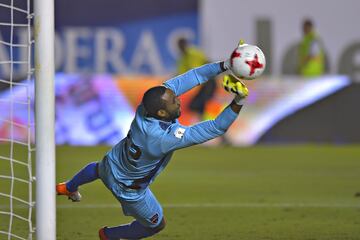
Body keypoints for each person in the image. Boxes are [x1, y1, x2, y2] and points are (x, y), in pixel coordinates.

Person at [56, 57, 249, 239]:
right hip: (129, 189)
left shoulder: (147, 106)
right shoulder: (163, 139)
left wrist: (225, 64)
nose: (179, 99)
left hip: (113, 162)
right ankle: (109, 235)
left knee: (98, 169)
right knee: (156, 225)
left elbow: (194, 77)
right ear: (162, 112)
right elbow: (216, 127)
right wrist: (238, 100)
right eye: (175, 101)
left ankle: (68, 187)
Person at [177, 37, 217, 122]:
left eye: (182, 45)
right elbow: (180, 75)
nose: (181, 48)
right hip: (202, 85)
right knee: (194, 105)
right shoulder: (182, 59)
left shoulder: (195, 53)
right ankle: (204, 123)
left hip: (209, 82)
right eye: (180, 46)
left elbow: (208, 62)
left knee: (203, 104)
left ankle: (211, 123)